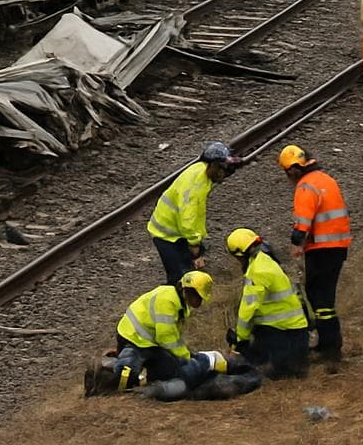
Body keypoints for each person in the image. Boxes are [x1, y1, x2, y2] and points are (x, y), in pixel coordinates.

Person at [84, 271, 212, 395]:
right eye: (196, 296)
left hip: (150, 343)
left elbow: (173, 336)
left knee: (165, 372)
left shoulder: (180, 304)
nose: (198, 301)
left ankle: (130, 367)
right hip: (133, 339)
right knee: (126, 376)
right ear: (186, 290)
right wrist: (186, 357)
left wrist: (184, 355)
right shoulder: (168, 302)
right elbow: (166, 337)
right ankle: (104, 369)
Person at [278, 145, 351, 362]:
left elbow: (303, 220)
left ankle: (330, 348)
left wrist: (296, 243)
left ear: (293, 168)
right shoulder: (326, 179)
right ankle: (330, 343)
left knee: (319, 297)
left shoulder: (306, 186)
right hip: (337, 247)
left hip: (321, 249)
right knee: (325, 296)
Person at [147, 142, 243, 284]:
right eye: (223, 170)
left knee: (189, 268)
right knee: (179, 277)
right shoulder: (197, 184)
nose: (224, 175)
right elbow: (189, 218)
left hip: (176, 229)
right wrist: (195, 247)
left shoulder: (200, 171)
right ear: (214, 166)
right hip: (166, 234)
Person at [225, 228, 310, 378]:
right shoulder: (265, 260)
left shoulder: (258, 271)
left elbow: (247, 310)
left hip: (285, 333)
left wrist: (239, 341)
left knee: (274, 371)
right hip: (294, 331)